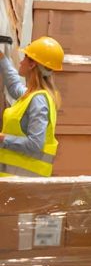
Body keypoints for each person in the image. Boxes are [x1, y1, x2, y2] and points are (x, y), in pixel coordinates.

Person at [0, 36, 64, 177]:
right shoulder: (33, 95)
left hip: (21, 185)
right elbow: (14, 86)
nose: (21, 62)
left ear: (32, 65)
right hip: (15, 183)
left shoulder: (38, 100)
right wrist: (2, 59)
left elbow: (35, 144)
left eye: (25, 58)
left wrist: (3, 139)